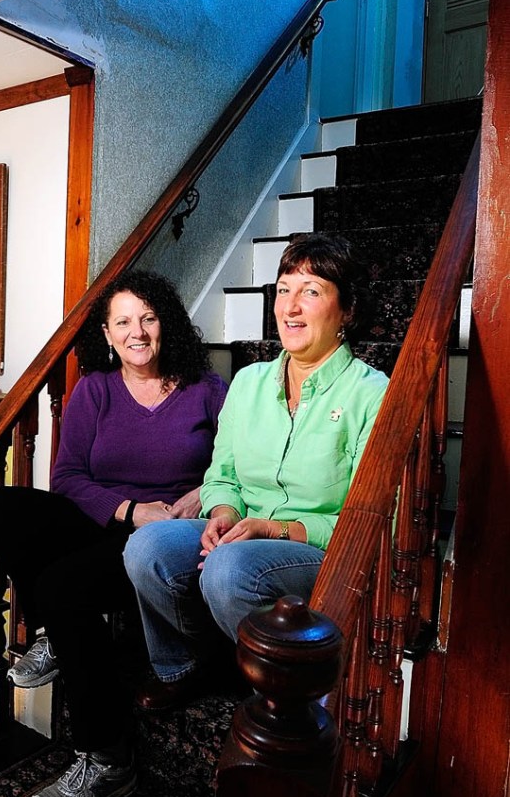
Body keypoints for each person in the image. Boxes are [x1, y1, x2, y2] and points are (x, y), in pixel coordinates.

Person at [0, 271, 227, 797]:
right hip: (113, 521)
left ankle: (107, 755)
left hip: (164, 540)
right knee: (0, 508)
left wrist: (193, 498)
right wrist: (130, 511)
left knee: (62, 586)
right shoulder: (95, 389)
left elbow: (236, 468)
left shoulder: (207, 391)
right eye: (123, 323)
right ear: (108, 336)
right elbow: (67, 478)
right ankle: (58, 635)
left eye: (148, 318)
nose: (137, 332)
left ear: (167, 324)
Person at [123, 232, 389, 712]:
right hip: (244, 532)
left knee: (227, 572)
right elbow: (222, 472)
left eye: (311, 290)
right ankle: (184, 667)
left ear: (346, 310)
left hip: (317, 547)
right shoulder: (248, 382)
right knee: (148, 546)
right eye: (284, 288)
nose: (290, 306)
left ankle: (293, 697)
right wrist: (223, 512)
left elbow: (363, 520)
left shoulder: (371, 393)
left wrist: (271, 528)